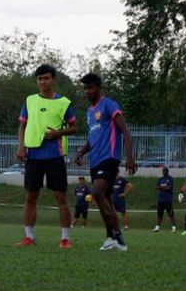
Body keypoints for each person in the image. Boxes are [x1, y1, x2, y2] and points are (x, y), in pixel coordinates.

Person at [16, 64, 78, 249]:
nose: (43, 82)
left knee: (60, 196)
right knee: (31, 196)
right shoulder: (29, 100)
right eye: (39, 79)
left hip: (54, 155)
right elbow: (22, 126)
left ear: (53, 79)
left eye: (46, 78)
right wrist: (21, 147)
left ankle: (65, 239)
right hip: (33, 154)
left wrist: (58, 134)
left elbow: (75, 128)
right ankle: (29, 237)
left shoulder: (64, 102)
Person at [75, 73, 136, 252]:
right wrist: (81, 152)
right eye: (85, 88)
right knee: (105, 199)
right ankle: (111, 238)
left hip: (109, 158)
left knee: (96, 193)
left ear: (99, 88)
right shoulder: (89, 113)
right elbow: (92, 139)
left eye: (91, 87)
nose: (87, 91)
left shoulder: (108, 104)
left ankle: (117, 235)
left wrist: (129, 157)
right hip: (95, 162)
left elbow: (125, 130)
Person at [153, 167, 177, 233]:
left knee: (171, 214)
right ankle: (157, 227)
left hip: (168, 200)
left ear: (167, 171)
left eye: (165, 171)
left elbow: (169, 188)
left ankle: (174, 227)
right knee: (159, 214)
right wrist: (164, 187)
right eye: (163, 170)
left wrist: (161, 188)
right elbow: (156, 187)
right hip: (160, 200)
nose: (164, 172)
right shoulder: (160, 179)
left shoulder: (170, 179)